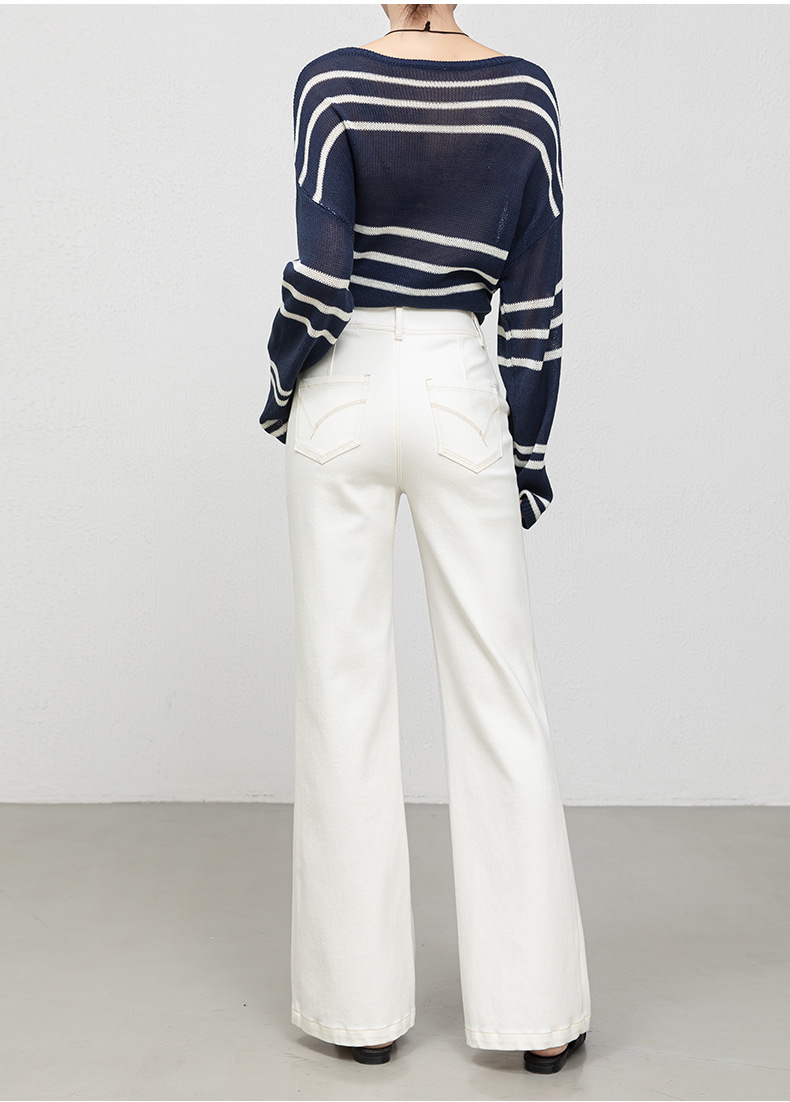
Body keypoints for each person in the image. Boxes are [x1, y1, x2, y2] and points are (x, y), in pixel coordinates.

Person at [258, 2, 592, 1075]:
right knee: (500, 693)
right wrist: (526, 448)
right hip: (458, 384)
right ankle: (537, 1015)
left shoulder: (331, 82)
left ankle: (359, 1013)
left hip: (345, 383)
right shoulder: (525, 94)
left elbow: (320, 278)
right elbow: (535, 297)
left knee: (344, 690)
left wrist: (283, 381)